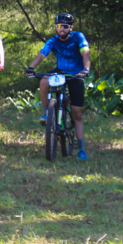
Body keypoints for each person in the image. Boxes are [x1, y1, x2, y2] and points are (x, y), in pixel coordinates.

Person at [26, 13, 91, 160]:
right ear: (56, 27)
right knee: (44, 81)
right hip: (60, 71)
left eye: (65, 26)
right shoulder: (53, 40)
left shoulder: (78, 37)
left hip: (76, 74)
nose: (62, 29)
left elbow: (85, 54)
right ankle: (47, 113)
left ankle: (81, 149)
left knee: (77, 114)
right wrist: (31, 67)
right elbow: (42, 54)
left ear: (71, 28)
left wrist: (85, 69)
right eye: (59, 26)